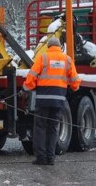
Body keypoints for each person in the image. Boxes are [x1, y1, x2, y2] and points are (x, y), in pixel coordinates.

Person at [23, 35, 80, 165]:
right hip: (59, 100)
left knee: (40, 128)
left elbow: (32, 76)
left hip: (43, 100)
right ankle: (51, 157)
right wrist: (73, 88)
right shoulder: (67, 60)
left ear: (48, 47)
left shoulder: (43, 58)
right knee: (53, 128)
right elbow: (75, 82)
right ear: (59, 47)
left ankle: (41, 157)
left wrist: (26, 88)